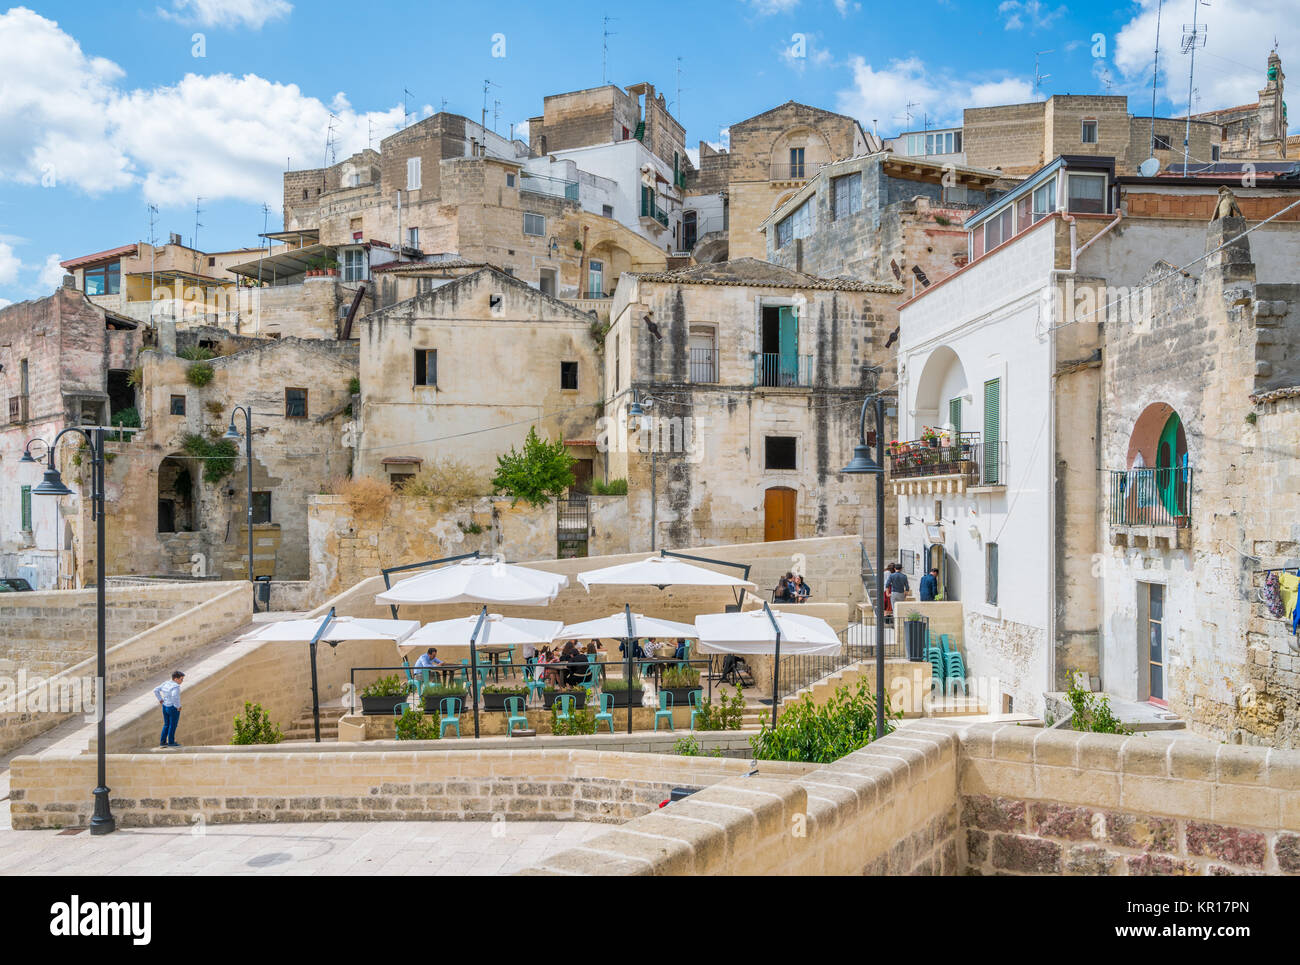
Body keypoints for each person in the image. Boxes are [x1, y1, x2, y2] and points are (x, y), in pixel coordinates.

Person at [154, 670, 185, 748]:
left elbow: (156, 690)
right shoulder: (176, 687)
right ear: (175, 679)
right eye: (181, 679)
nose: (182, 681)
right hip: (172, 707)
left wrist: (160, 699)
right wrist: (178, 706)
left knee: (166, 724)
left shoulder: (166, 683)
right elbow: (174, 696)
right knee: (173, 725)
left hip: (165, 706)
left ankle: (163, 742)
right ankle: (171, 742)